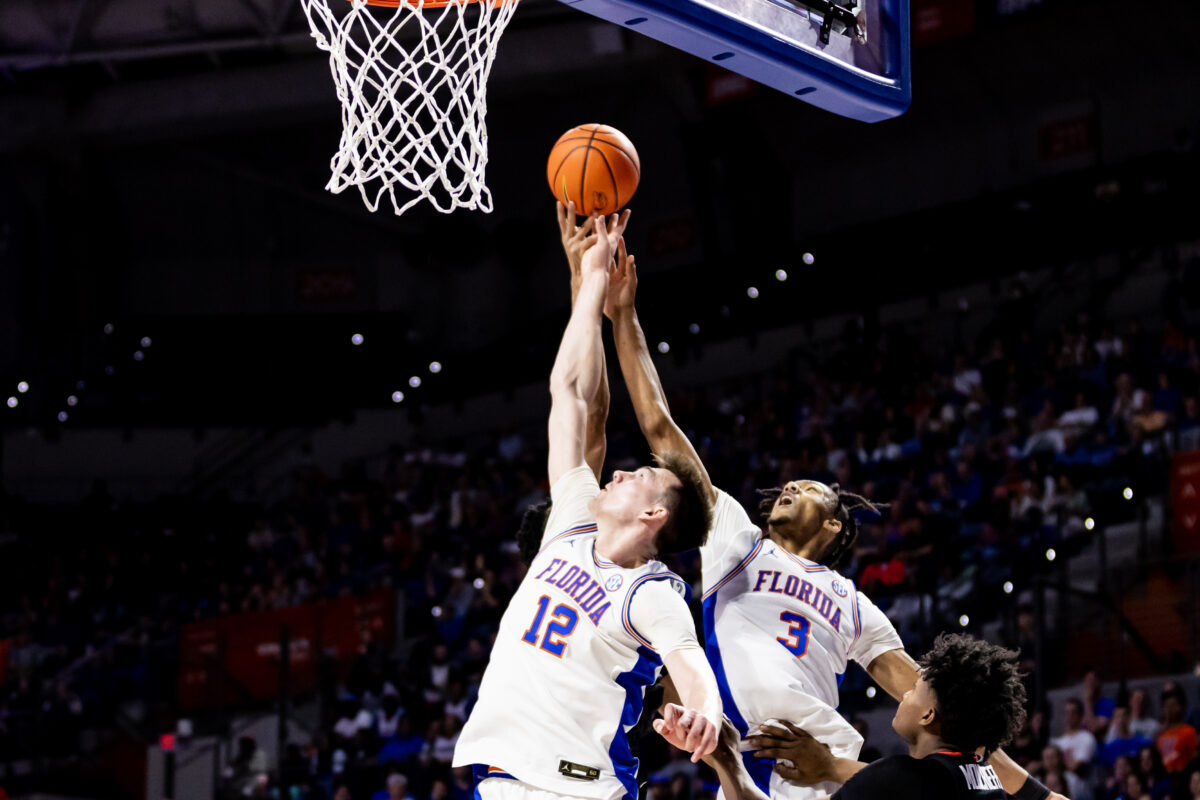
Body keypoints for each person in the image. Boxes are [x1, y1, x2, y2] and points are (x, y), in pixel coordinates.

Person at [602, 223, 1054, 800]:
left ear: (836, 523)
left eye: (809, 487)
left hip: (820, 769)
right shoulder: (738, 538)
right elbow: (663, 430)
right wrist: (624, 320)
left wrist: (1037, 794)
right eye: (789, 484)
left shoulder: (856, 606)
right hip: (740, 764)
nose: (789, 485)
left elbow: (951, 712)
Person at [452, 210, 721, 800]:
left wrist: (702, 711)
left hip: (579, 788)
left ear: (655, 515)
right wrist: (589, 277)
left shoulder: (650, 592)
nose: (619, 470)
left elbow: (691, 664)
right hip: (499, 780)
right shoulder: (569, 527)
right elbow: (571, 397)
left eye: (639, 476)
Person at [742, 634, 1053, 800]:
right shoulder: (984, 774)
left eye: (914, 688)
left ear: (929, 714)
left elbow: (895, 784)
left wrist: (726, 760)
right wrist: (830, 766)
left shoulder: (905, 775)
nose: (904, 693)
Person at [1155, 685, 1198, 773]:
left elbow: (1195, 757)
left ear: (1181, 707)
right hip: (1166, 778)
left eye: (1173, 705)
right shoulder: (1160, 735)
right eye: (1166, 706)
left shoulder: (1188, 731)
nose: (1169, 709)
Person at [1051, 698, 1098, 776]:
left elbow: (1078, 766)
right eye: (1067, 713)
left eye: (1073, 712)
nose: (1069, 716)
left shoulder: (1087, 738)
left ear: (1080, 716)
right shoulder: (1058, 742)